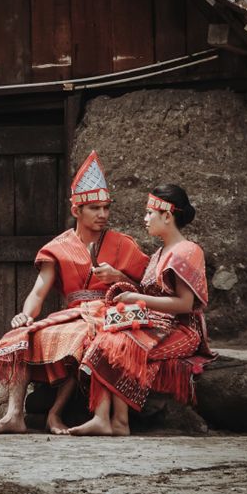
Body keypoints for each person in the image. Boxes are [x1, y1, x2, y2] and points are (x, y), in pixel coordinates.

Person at [0, 151, 149, 434]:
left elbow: (149, 286)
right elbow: (39, 289)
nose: (103, 214)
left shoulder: (123, 244)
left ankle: (55, 414)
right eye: (95, 208)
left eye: (106, 207)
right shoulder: (58, 246)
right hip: (72, 313)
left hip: (106, 314)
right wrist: (26, 315)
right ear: (76, 211)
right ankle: (14, 415)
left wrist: (118, 277)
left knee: (82, 338)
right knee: (20, 336)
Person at [67, 184, 214, 436]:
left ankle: (119, 422)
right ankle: (104, 418)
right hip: (155, 322)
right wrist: (121, 283)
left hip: (181, 329)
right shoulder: (159, 253)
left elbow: (184, 305)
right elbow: (151, 294)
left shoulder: (188, 250)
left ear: (167, 216)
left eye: (149, 213)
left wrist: (135, 297)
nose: (145, 219)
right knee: (106, 335)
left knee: (122, 343)